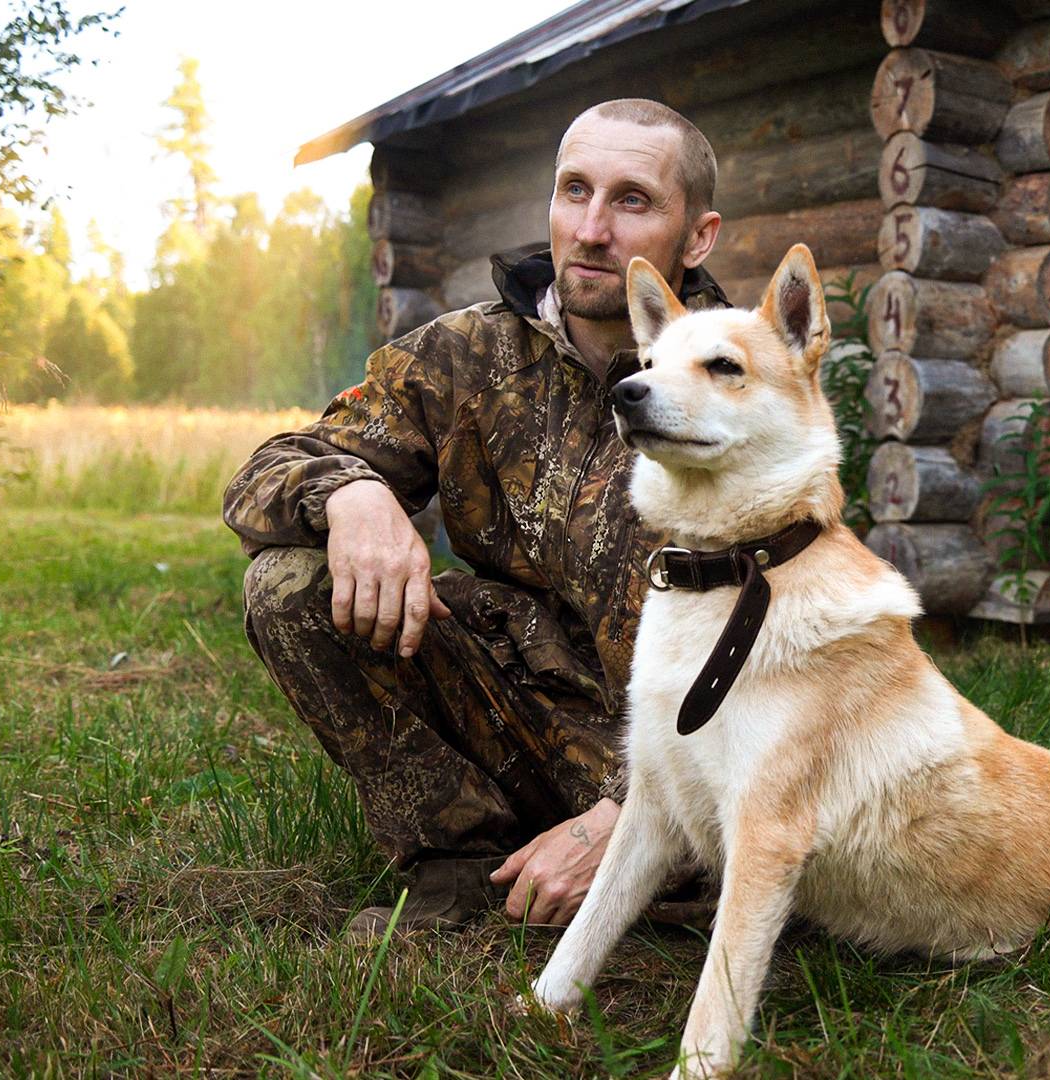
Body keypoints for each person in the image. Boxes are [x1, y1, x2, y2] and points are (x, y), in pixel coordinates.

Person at [222, 99, 724, 934]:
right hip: (525, 712)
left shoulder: (745, 384)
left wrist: (633, 822)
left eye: (632, 200)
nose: (591, 229)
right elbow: (268, 469)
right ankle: (457, 871)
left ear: (697, 236)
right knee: (289, 581)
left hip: (690, 762)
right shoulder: (468, 355)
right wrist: (354, 496)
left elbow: (788, 661)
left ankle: (652, 871)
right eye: (574, 191)